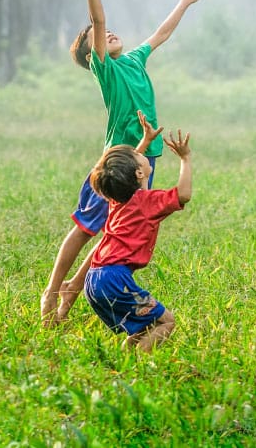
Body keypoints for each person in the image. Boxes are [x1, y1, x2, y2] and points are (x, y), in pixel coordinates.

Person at [40, 0, 203, 325]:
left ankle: (68, 301)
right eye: (97, 37)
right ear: (90, 54)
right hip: (117, 161)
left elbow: (161, 33)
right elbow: (97, 20)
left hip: (146, 158)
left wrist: (185, 1)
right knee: (85, 228)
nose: (108, 33)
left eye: (111, 31)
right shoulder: (106, 70)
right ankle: (52, 292)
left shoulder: (133, 59)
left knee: (115, 233)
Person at [84, 125, 192, 351]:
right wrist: (185, 158)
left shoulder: (118, 199)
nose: (140, 153)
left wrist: (144, 141)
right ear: (139, 173)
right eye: (138, 155)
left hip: (94, 279)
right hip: (115, 280)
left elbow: (127, 172)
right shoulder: (148, 203)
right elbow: (184, 194)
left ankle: (124, 358)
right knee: (166, 321)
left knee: (144, 325)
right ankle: (138, 365)